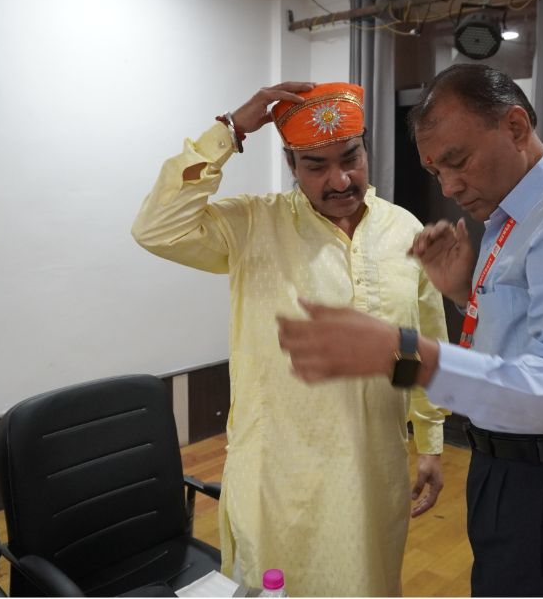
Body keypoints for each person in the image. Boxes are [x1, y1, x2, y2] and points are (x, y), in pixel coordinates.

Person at [276, 64, 543, 597]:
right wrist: (462, 294)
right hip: (507, 464)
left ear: (515, 127)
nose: (450, 187)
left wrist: (408, 355)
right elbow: (523, 342)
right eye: (435, 171)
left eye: (458, 161)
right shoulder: (515, 212)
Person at [131, 82, 449, 596]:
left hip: (374, 473)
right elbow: (157, 228)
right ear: (291, 166)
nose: (339, 180)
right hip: (277, 483)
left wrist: (430, 441)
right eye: (316, 165)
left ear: (366, 150)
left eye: (350, 158)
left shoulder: (403, 230)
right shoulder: (252, 225)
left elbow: (416, 343)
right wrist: (230, 130)